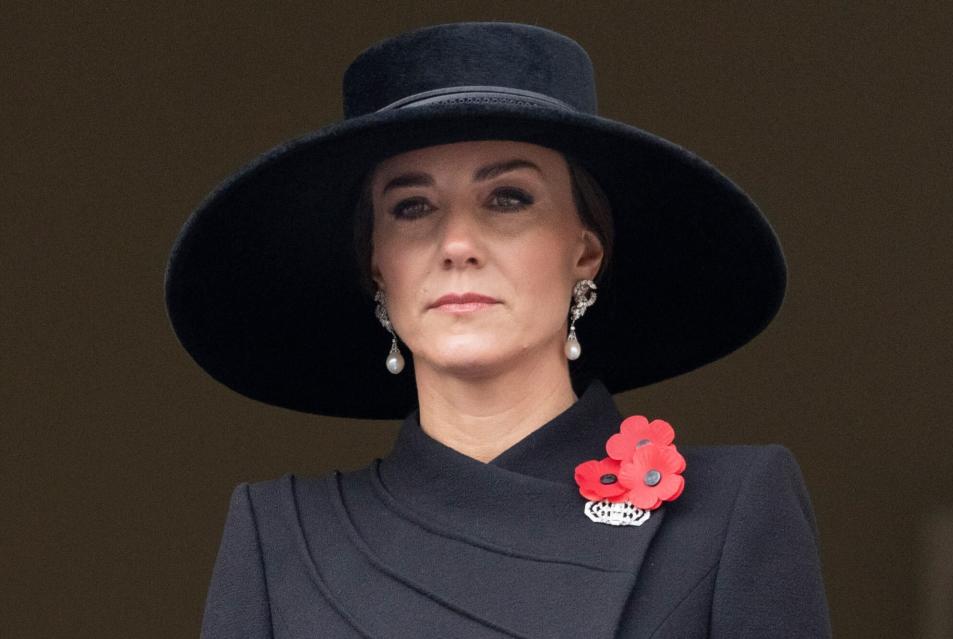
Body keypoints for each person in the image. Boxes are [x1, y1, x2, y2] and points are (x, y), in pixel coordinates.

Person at [165, 21, 831, 638]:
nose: (456, 242)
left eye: (507, 198)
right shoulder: (280, 535)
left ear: (584, 251)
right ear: (378, 266)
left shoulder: (730, 513)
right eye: (412, 206)